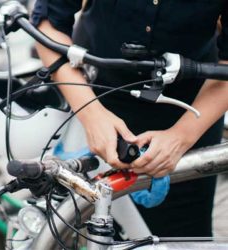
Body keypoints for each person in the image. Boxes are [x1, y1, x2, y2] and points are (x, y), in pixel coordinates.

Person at [32, 0, 228, 237]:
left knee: (180, 236)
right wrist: (91, 113)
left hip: (190, 107)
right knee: (71, 227)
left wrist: (182, 136)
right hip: (91, 92)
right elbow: (48, 23)